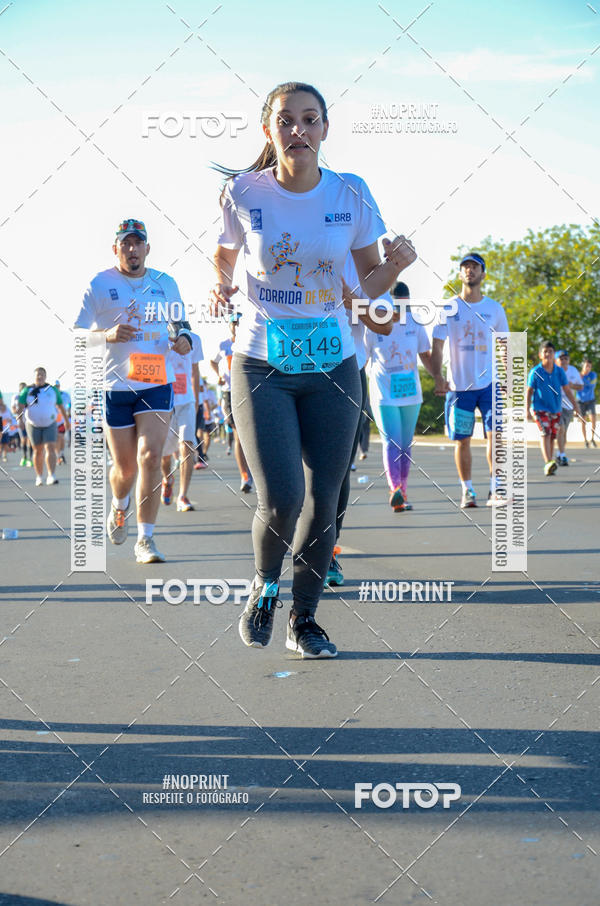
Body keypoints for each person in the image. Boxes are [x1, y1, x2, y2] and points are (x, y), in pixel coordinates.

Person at [211, 80, 416, 657]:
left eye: (309, 118)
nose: (297, 129)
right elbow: (225, 251)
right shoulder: (242, 191)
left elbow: (370, 295)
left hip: (333, 365)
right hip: (262, 362)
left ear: (325, 128)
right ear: (268, 129)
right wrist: (220, 283)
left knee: (325, 500)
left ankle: (305, 620)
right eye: (286, 119)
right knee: (282, 497)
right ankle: (264, 586)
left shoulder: (352, 193)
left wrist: (395, 269)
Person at [74, 218, 193, 563]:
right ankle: (119, 504)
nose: (132, 249)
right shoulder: (100, 284)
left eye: (137, 242)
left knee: (150, 458)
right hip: (116, 386)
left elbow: (182, 325)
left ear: (147, 248)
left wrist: (184, 339)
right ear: (116, 249)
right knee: (125, 470)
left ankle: (145, 539)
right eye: (125, 243)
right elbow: (78, 335)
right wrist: (106, 335)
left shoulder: (164, 283)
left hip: (156, 383)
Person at [327, 258, 394, 587]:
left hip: (346, 374)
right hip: (288, 372)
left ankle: (326, 551)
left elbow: (385, 323)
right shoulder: (291, 245)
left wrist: (349, 298)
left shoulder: (365, 266)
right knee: (291, 475)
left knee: (336, 471)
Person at [430, 252, 509, 508]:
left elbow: (505, 345)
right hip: (459, 387)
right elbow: (437, 345)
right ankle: (468, 490)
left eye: (475, 266)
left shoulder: (494, 309)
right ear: (460, 273)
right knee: (462, 440)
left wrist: (508, 378)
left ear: (483, 273)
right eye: (465, 266)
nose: (469, 270)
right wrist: (438, 377)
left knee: (496, 436)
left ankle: (495, 489)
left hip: (489, 386)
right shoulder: (448, 307)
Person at [366, 281, 435, 511]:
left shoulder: (415, 322)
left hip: (410, 393)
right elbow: (363, 358)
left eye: (405, 305)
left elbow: (425, 355)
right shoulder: (373, 323)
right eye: (396, 305)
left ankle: (402, 493)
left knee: (405, 444)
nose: (400, 310)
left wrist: (439, 377)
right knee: (391, 441)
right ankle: (394, 488)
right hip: (383, 392)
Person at [160, 330, 203, 511]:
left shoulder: (195, 339)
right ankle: (167, 478)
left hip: (186, 401)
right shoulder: (159, 334)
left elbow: (195, 370)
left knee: (187, 445)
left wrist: (196, 400)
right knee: (165, 456)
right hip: (164, 402)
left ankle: (182, 496)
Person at [210, 314, 253, 493]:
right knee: (238, 435)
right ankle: (245, 476)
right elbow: (213, 362)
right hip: (230, 392)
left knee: (253, 434)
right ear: (229, 325)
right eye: (233, 323)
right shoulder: (224, 345)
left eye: (239, 323)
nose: (236, 326)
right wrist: (219, 376)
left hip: (250, 390)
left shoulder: (252, 342)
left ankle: (257, 472)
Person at [527, 341, 580, 475]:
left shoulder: (559, 372)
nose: (548, 354)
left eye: (550, 351)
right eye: (545, 351)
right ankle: (548, 462)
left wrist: (576, 406)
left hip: (556, 408)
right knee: (545, 432)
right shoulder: (536, 372)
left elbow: (567, 390)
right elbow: (529, 391)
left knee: (552, 436)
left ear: (553, 354)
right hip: (539, 408)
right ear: (540, 355)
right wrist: (527, 410)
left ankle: (550, 463)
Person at [15, 367, 69, 486]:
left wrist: (66, 421)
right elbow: (20, 407)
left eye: (42, 374)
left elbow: (61, 406)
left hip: (50, 423)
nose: (40, 376)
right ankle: (39, 476)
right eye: (38, 374)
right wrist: (20, 421)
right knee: (38, 450)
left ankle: (51, 475)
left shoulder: (52, 390)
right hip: (33, 424)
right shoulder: (27, 390)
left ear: (45, 376)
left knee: (50, 447)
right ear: (34, 376)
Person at [577, 358, 597, 447]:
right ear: (583, 366)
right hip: (580, 401)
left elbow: (592, 386)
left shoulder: (593, 375)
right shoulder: (577, 375)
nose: (588, 368)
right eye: (586, 366)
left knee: (593, 420)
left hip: (591, 400)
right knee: (583, 421)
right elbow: (574, 385)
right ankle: (585, 440)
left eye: (589, 366)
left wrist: (583, 379)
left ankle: (592, 439)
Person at [54, 380, 71, 465]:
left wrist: (68, 412)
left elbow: (69, 404)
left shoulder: (65, 395)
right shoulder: (50, 394)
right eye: (55, 386)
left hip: (62, 420)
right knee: (57, 438)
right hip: (53, 420)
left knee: (61, 437)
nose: (56, 387)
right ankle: (58, 456)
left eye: (57, 386)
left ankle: (61, 454)